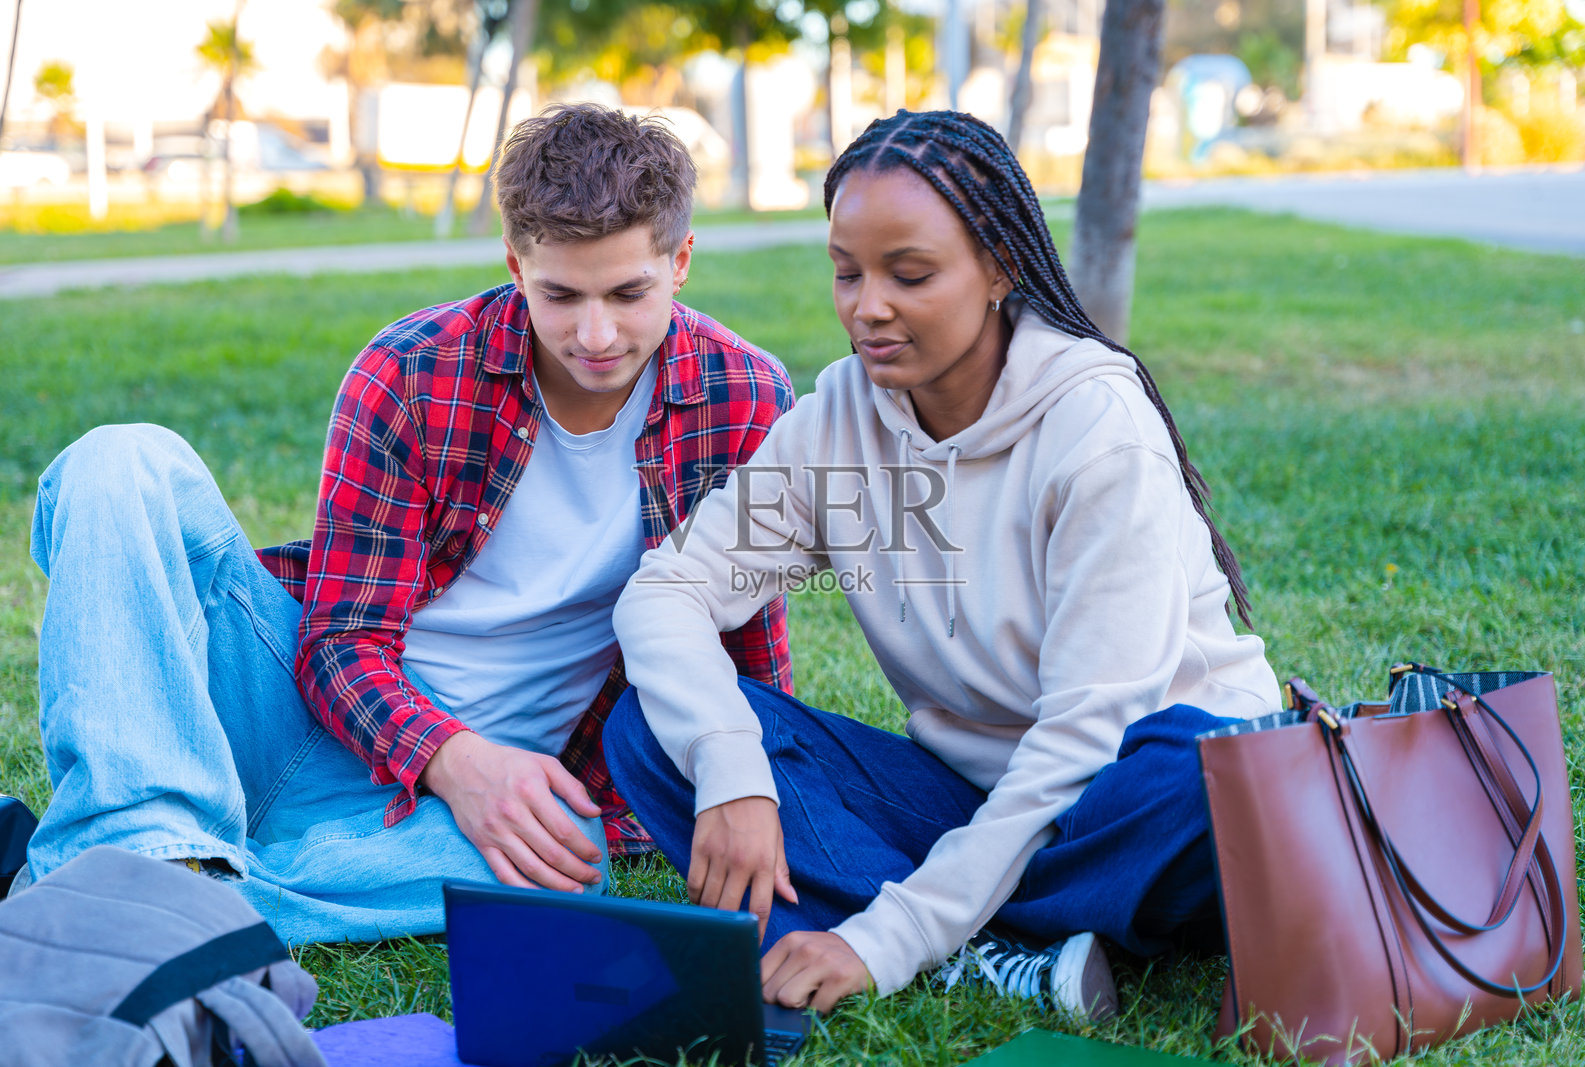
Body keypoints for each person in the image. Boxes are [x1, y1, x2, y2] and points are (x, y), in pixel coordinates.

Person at [16, 103, 794, 944]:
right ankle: (147, 846)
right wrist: (455, 760)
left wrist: (762, 791)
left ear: (680, 262)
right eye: (560, 294)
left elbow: (743, 640)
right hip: (282, 709)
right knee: (119, 460)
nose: (594, 333)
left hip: (451, 813)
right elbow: (341, 640)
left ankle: (151, 885)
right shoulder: (413, 371)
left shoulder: (743, 397)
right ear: (514, 262)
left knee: (575, 859)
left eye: (628, 293)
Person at [603, 110, 1279, 1017]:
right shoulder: (837, 424)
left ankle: (929, 927)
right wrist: (730, 765)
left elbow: (1084, 740)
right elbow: (666, 592)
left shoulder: (1097, 431)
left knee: (1204, 773)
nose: (866, 306)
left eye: (909, 274)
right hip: (973, 799)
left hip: (1130, 803)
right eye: (846, 272)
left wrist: (887, 936)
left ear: (1000, 267)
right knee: (652, 725)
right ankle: (1005, 953)